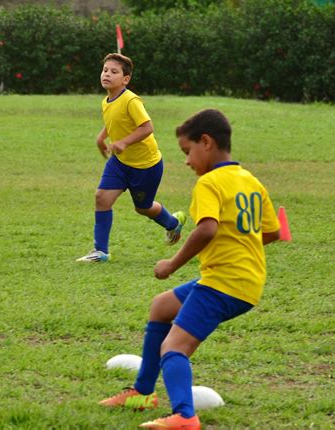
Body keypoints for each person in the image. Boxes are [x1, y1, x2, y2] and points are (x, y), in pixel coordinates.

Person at [99, 109, 281, 429]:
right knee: (161, 306)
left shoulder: (210, 183)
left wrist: (171, 264)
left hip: (224, 283)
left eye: (187, 152)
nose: (186, 161)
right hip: (244, 279)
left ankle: (185, 416)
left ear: (206, 142)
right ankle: (142, 392)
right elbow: (272, 232)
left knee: (174, 347)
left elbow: (206, 229)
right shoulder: (250, 180)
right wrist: (238, 247)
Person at [77, 53, 186, 262]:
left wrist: (124, 142)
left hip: (146, 165)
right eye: (105, 70)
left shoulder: (131, 100)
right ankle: (100, 252)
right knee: (102, 198)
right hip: (119, 162)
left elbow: (147, 127)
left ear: (125, 79)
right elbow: (113, 122)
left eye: (113, 72)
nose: (107, 74)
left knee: (143, 208)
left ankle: (173, 223)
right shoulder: (106, 101)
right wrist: (101, 138)